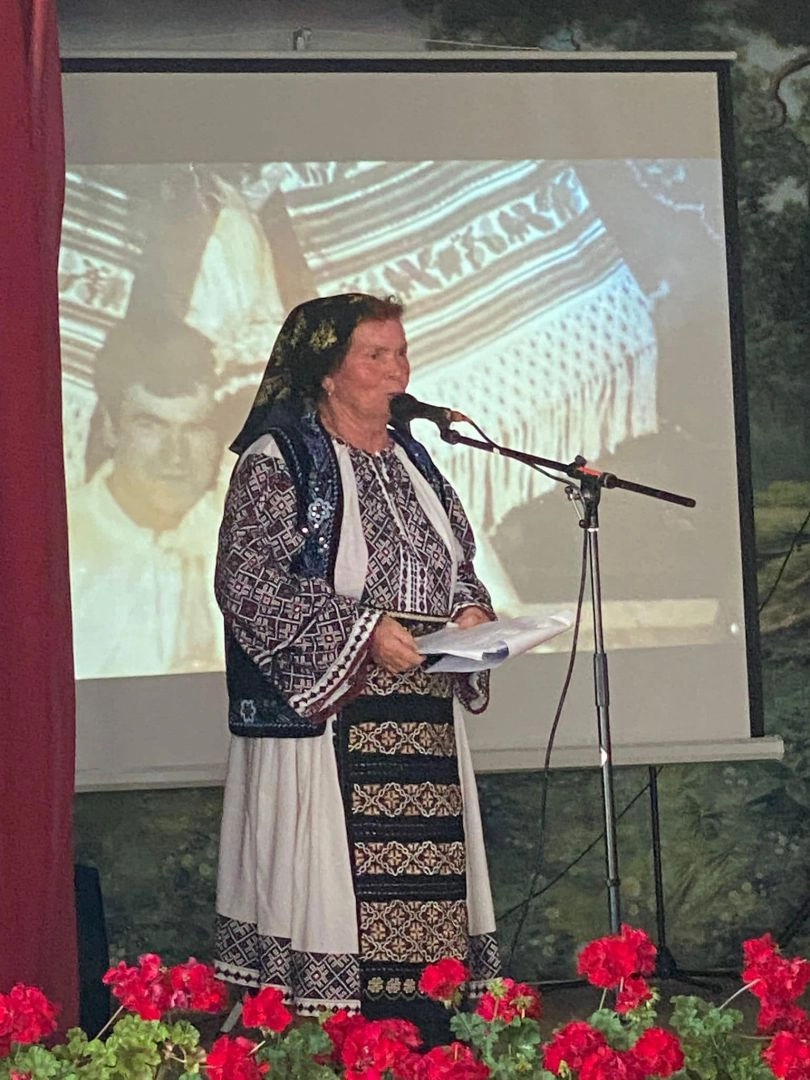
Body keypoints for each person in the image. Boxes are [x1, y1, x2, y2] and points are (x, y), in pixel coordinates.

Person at [213, 293, 501, 1040]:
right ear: (327, 373)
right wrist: (365, 632)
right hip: (331, 723)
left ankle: (425, 1037)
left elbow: (455, 566)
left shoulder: (416, 462)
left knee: (427, 911)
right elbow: (248, 584)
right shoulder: (280, 461)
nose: (397, 371)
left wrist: (470, 611)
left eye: (400, 353)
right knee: (339, 897)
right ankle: (340, 1040)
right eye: (375, 355)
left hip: (423, 723)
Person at [68, 320, 226, 679]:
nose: (175, 455)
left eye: (194, 428)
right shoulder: (61, 545)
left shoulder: (254, 539)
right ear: (111, 428)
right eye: (150, 426)